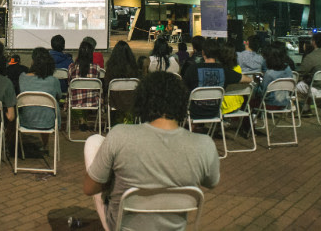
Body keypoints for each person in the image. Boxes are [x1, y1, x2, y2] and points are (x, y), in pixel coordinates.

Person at [83, 71, 220, 231]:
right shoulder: (205, 144)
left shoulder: (119, 135)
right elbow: (211, 182)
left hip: (122, 226)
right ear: (182, 103)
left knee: (94, 142)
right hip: (174, 227)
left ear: (143, 101)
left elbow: (89, 189)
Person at [183, 38, 252, 120]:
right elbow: (247, 79)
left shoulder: (192, 69)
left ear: (203, 52)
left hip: (195, 112)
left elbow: (183, 87)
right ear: (217, 54)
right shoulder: (224, 70)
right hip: (215, 112)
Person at [18, 47, 62, 148]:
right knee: (48, 108)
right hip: (48, 122)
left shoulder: (22, 78)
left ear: (33, 61)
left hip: (25, 120)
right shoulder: (53, 81)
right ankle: (45, 144)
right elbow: (58, 97)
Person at [68, 41, 103, 130]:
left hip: (75, 101)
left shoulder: (72, 67)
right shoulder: (96, 67)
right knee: (90, 92)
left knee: (77, 92)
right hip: (92, 101)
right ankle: (83, 119)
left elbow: (69, 83)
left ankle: (81, 119)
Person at [103, 41, 140, 126]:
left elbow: (106, 85)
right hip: (131, 101)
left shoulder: (111, 68)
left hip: (114, 101)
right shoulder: (134, 68)